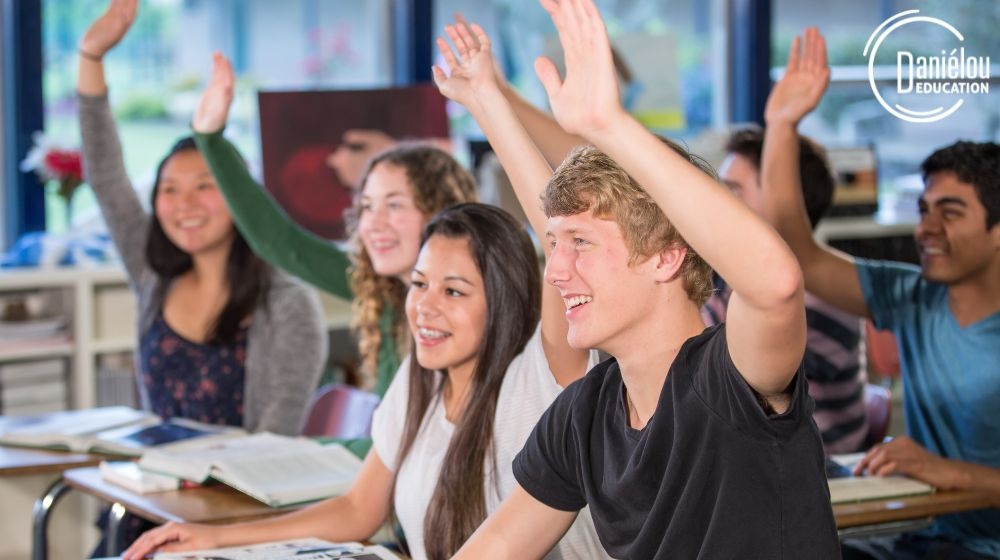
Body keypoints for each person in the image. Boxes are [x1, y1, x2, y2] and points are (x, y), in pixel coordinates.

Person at [448, 2, 839, 558]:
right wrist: (488, 101)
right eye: (554, 246)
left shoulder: (729, 380)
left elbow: (776, 283)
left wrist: (608, 126)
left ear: (666, 258)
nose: (554, 271)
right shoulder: (586, 414)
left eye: (581, 245)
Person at [122, 203, 608, 560]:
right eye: (419, 284)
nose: (424, 307)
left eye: (454, 291)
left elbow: (557, 227)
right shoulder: (422, 377)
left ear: (504, 300)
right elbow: (358, 509)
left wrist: (489, 104)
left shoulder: (540, 374)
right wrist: (214, 537)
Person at [77, 0, 326, 553]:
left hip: (233, 520)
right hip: (150, 504)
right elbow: (106, 177)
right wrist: (91, 57)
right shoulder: (154, 276)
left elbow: (271, 446)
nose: (184, 205)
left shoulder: (287, 304)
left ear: (239, 198)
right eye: (169, 189)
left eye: (204, 187)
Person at [755, 25, 1000, 560]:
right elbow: (798, 252)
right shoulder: (910, 295)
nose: (926, 228)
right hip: (920, 538)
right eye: (924, 210)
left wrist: (949, 472)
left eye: (950, 213)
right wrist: (782, 124)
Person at [191, 54, 478, 415]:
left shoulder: (470, 314)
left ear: (440, 212)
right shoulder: (384, 290)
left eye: (394, 205)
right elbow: (281, 243)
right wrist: (210, 139)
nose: (373, 224)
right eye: (367, 207)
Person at [703, 125, 869, 454]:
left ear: (784, 201)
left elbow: (724, 389)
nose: (718, 201)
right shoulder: (731, 277)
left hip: (818, 468)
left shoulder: (814, 298)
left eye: (734, 190)